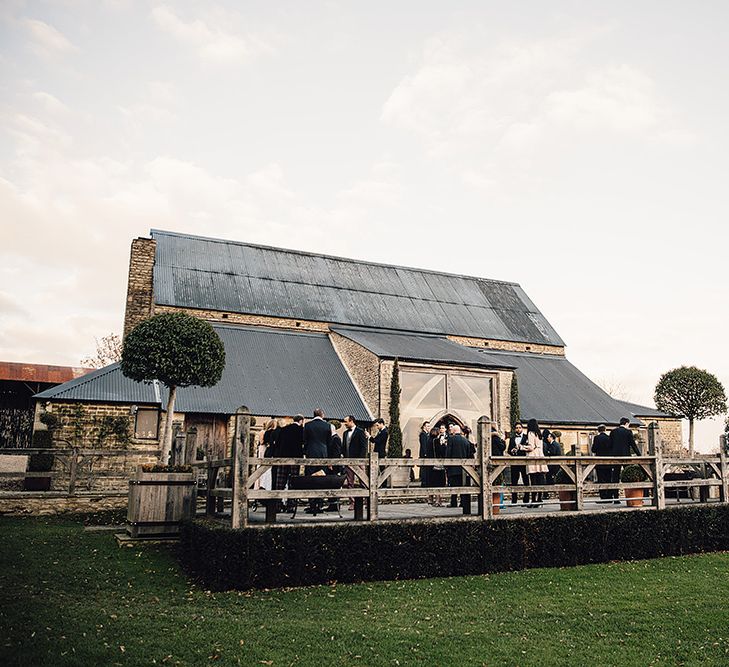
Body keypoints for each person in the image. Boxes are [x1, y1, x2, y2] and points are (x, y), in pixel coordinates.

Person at [303, 408, 332, 513]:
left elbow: (305, 441)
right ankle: (319, 503)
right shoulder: (327, 425)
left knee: (310, 477)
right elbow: (329, 442)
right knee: (321, 478)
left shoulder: (307, 425)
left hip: (311, 453)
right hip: (323, 453)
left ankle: (312, 504)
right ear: (322, 414)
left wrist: (306, 451)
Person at [609, 417, 641, 504]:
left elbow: (610, 445)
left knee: (615, 476)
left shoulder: (613, 432)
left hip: (615, 457)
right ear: (627, 423)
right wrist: (639, 455)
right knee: (629, 474)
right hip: (626, 456)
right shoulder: (628, 432)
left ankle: (615, 498)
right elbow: (633, 445)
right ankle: (631, 497)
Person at [274, 415, 304, 510]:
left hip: (283, 457)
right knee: (293, 481)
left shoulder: (284, 429)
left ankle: (278, 505)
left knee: (280, 481)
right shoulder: (301, 430)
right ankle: (291, 505)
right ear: (301, 421)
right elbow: (304, 442)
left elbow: (278, 443)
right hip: (295, 458)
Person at [342, 415, 368, 510]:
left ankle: (366, 501)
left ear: (351, 421)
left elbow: (364, 447)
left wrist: (361, 460)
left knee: (363, 481)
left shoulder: (360, 432)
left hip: (359, 461)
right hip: (348, 461)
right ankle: (352, 502)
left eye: (346, 422)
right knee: (350, 482)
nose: (344, 424)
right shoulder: (345, 433)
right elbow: (344, 447)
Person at [523, 419, 548, 506]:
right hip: (540, 455)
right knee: (540, 478)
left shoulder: (530, 433)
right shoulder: (539, 434)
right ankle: (539, 499)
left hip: (533, 456)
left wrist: (521, 447)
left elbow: (531, 447)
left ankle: (533, 500)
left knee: (533, 479)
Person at [446, 424, 472, 510]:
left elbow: (448, 452)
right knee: (463, 485)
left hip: (453, 467)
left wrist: (447, 464)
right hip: (464, 468)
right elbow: (469, 454)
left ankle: (453, 502)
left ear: (453, 431)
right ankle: (463, 503)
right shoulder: (465, 441)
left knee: (454, 486)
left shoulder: (451, 439)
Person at [508, 422, 530, 504]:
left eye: (519, 427)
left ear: (522, 428)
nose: (518, 429)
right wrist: (512, 451)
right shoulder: (512, 438)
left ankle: (526, 500)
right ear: (515, 429)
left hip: (524, 461)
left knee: (526, 481)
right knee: (514, 481)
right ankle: (514, 500)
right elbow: (508, 450)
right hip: (514, 462)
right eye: (516, 428)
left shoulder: (526, 437)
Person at [425, 425, 447, 506]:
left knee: (431, 482)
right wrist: (444, 445)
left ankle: (430, 499)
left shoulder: (428, 440)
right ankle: (438, 500)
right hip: (436, 465)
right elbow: (440, 452)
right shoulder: (436, 441)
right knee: (438, 482)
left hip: (429, 465)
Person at [324, 422, 343, 512]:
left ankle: (335, 505)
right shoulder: (333, 438)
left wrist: (332, 463)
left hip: (334, 466)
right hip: (332, 464)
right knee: (330, 484)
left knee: (334, 484)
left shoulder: (335, 439)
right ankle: (332, 504)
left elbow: (336, 453)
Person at [592, 424, 612, 501]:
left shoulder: (596, 438)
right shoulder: (609, 438)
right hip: (608, 461)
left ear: (598, 430)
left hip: (599, 462)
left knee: (601, 479)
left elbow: (593, 449)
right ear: (605, 430)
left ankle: (603, 497)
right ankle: (609, 496)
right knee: (608, 479)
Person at [543, 430, 562, 500]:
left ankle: (547, 493)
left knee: (548, 477)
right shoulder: (555, 444)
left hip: (554, 465)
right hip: (554, 465)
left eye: (548, 437)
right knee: (548, 477)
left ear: (551, 437)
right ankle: (547, 493)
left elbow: (552, 452)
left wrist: (547, 452)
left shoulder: (553, 444)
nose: (547, 439)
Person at [418, 421, 430, 488]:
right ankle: (424, 483)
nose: (429, 428)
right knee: (424, 469)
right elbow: (424, 445)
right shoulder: (423, 434)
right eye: (428, 426)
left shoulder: (427, 434)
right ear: (424, 427)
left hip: (426, 454)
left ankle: (426, 482)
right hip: (424, 455)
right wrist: (425, 453)